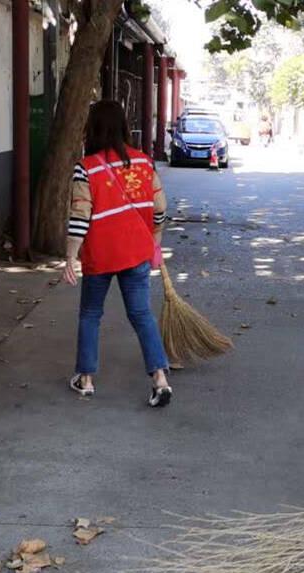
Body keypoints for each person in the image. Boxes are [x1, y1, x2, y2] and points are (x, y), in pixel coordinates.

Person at [62, 100, 173, 408]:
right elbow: (160, 208)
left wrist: (70, 255)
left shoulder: (87, 168)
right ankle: (160, 379)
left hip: (101, 255)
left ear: (92, 129)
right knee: (141, 314)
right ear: (123, 126)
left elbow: (80, 216)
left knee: (90, 314)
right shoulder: (143, 162)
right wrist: (156, 242)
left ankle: (85, 380)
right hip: (136, 252)